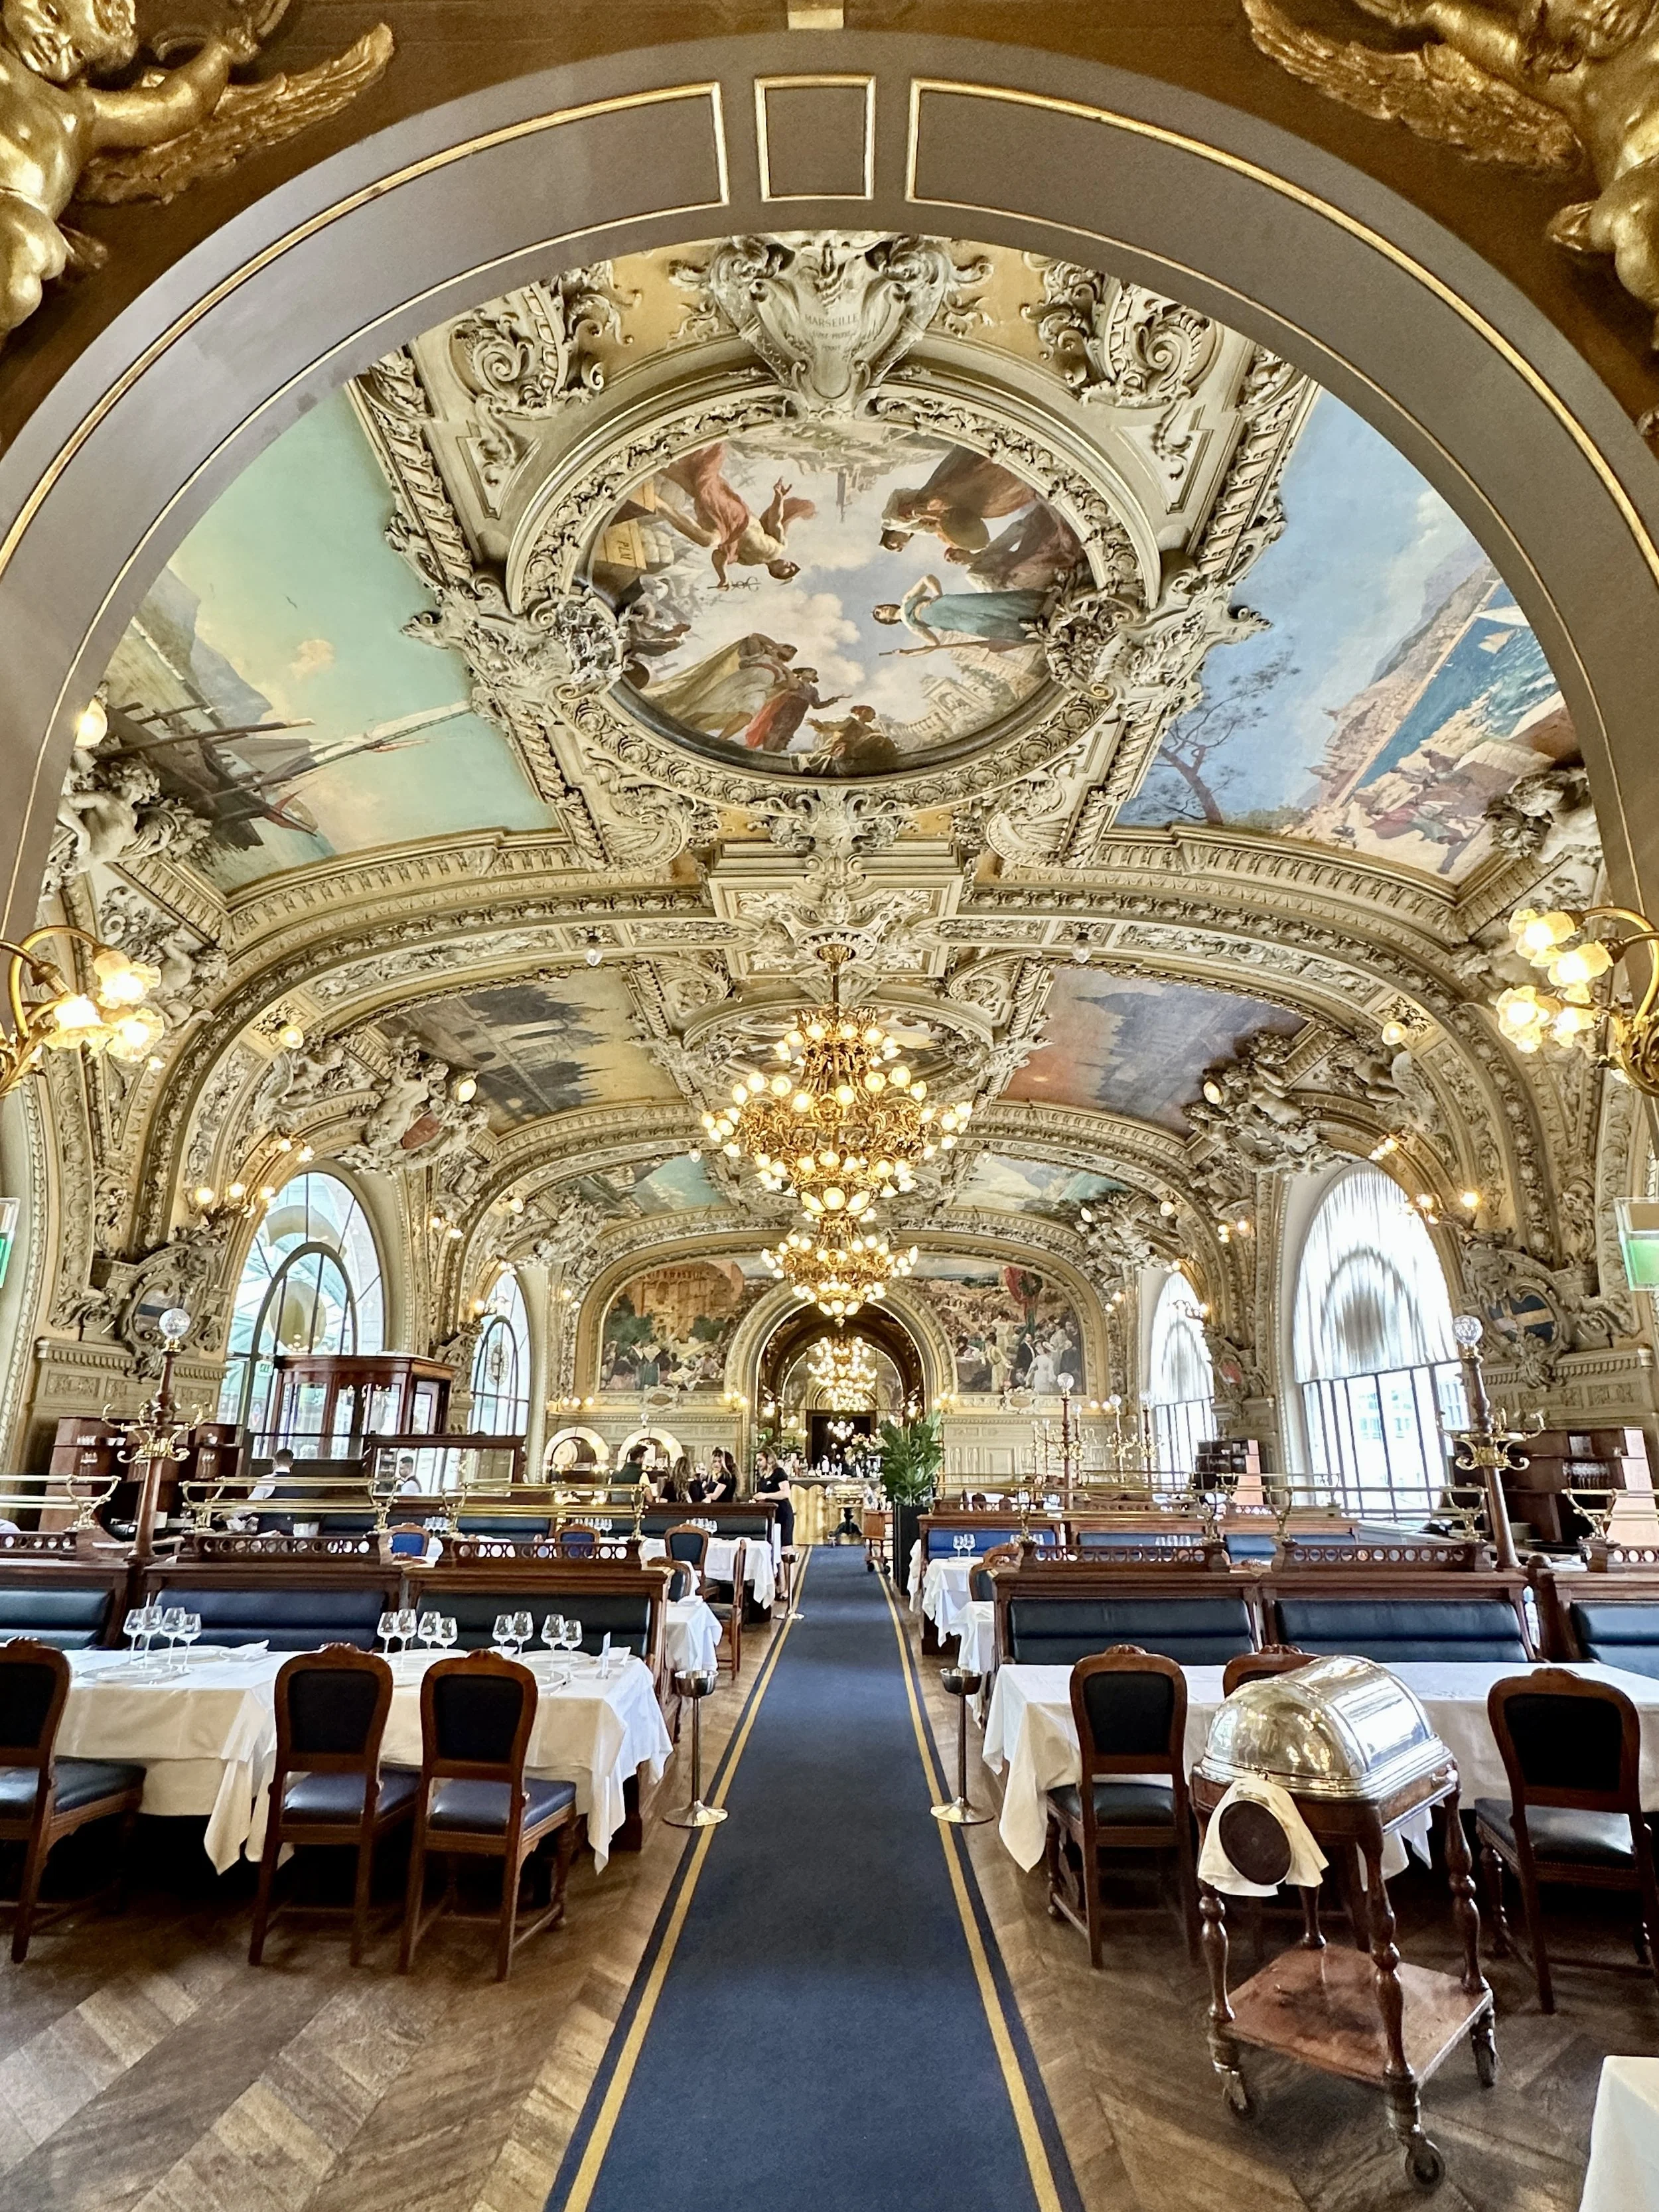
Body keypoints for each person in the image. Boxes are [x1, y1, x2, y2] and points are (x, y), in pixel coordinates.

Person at [658, 444, 814, 585]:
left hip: (726, 534)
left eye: (789, 571)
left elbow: (719, 557)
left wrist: (723, 577)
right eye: (793, 565)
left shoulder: (749, 562)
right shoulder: (779, 547)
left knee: (708, 540)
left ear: (775, 573)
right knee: (701, 487)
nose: (791, 566)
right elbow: (775, 520)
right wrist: (779, 498)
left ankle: (660, 504)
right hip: (738, 518)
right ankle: (662, 470)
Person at [872, 575, 1047, 652]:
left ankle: (1035, 606)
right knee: (980, 627)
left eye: (880, 608)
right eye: (879, 614)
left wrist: (937, 594)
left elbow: (927, 578)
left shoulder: (906, 599)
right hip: (949, 621)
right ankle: (1033, 628)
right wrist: (910, 652)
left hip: (945, 604)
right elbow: (934, 643)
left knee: (986, 606)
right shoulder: (912, 627)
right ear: (887, 621)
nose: (882, 610)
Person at [752, 1450, 795, 1548]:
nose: (758, 1463)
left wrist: (766, 1496)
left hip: (783, 1513)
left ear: (769, 1459)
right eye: (757, 1461)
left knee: (785, 1546)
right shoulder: (763, 1477)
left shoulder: (779, 1473)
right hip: (771, 1515)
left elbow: (786, 1493)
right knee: (773, 1547)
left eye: (760, 1460)